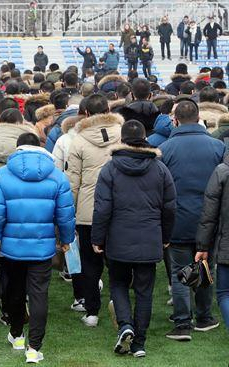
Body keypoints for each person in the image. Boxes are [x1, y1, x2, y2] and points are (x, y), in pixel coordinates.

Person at [0, 132, 75, 364]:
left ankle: (17, 334)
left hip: (11, 248)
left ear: (18, 149)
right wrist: (66, 240)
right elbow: (65, 216)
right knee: (38, 295)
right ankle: (34, 347)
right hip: (42, 248)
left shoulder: (1, 176)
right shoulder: (57, 177)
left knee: (14, 292)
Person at [92, 120, 177, 358]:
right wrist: (165, 236)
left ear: (123, 139)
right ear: (145, 138)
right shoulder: (160, 169)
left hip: (119, 238)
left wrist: (97, 238)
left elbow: (102, 208)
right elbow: (170, 207)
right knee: (144, 291)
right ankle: (138, 340)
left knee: (118, 284)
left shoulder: (110, 169)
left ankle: (127, 326)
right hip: (148, 237)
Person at [159, 99, 224, 341]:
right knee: (206, 266)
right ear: (198, 119)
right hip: (210, 220)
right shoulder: (217, 147)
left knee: (180, 271)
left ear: (175, 119)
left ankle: (183, 322)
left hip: (178, 219)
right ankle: (204, 317)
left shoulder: (165, 149)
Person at [66, 94, 123, 327]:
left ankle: (92, 310)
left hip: (89, 210)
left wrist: (70, 209)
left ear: (86, 114)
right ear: (108, 109)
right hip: (119, 207)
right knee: (117, 261)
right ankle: (118, 305)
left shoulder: (78, 140)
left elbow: (73, 182)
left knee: (90, 263)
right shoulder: (122, 133)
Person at [196, 147, 229, 332]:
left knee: (224, 293)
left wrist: (203, 245)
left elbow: (209, 214)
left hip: (226, 244)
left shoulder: (222, 171)